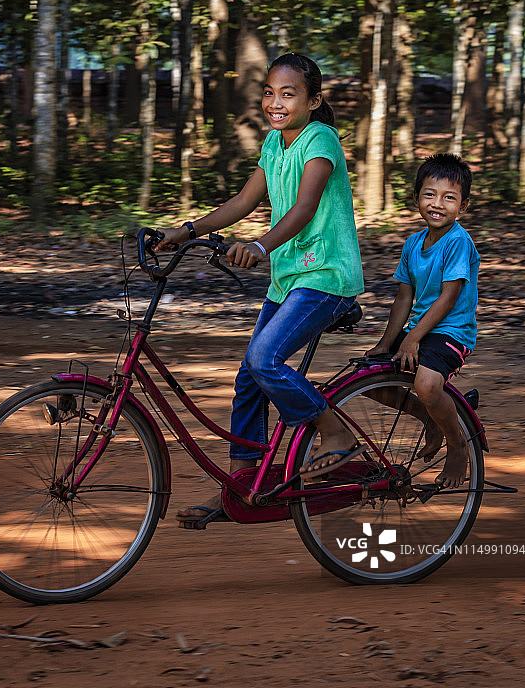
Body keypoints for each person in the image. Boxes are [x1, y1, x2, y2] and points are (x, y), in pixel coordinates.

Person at [155, 52, 364, 528]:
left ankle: (334, 432)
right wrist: (185, 232)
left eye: (288, 94)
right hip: (290, 279)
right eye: (269, 93)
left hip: (326, 277)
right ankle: (241, 489)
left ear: (313, 101)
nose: (275, 102)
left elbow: (305, 207)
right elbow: (244, 201)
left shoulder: (320, 139)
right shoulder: (274, 143)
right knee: (249, 378)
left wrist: (261, 245)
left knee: (263, 358)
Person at [365, 153, 479, 489]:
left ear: (463, 206)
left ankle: (457, 444)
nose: (437, 204)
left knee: (427, 385)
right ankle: (427, 415)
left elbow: (448, 297)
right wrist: (387, 343)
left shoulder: (458, 241)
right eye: (430, 194)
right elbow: (404, 298)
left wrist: (412, 338)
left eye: (449, 198)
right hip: (419, 329)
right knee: (370, 378)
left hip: (451, 332)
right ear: (416, 198)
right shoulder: (413, 243)